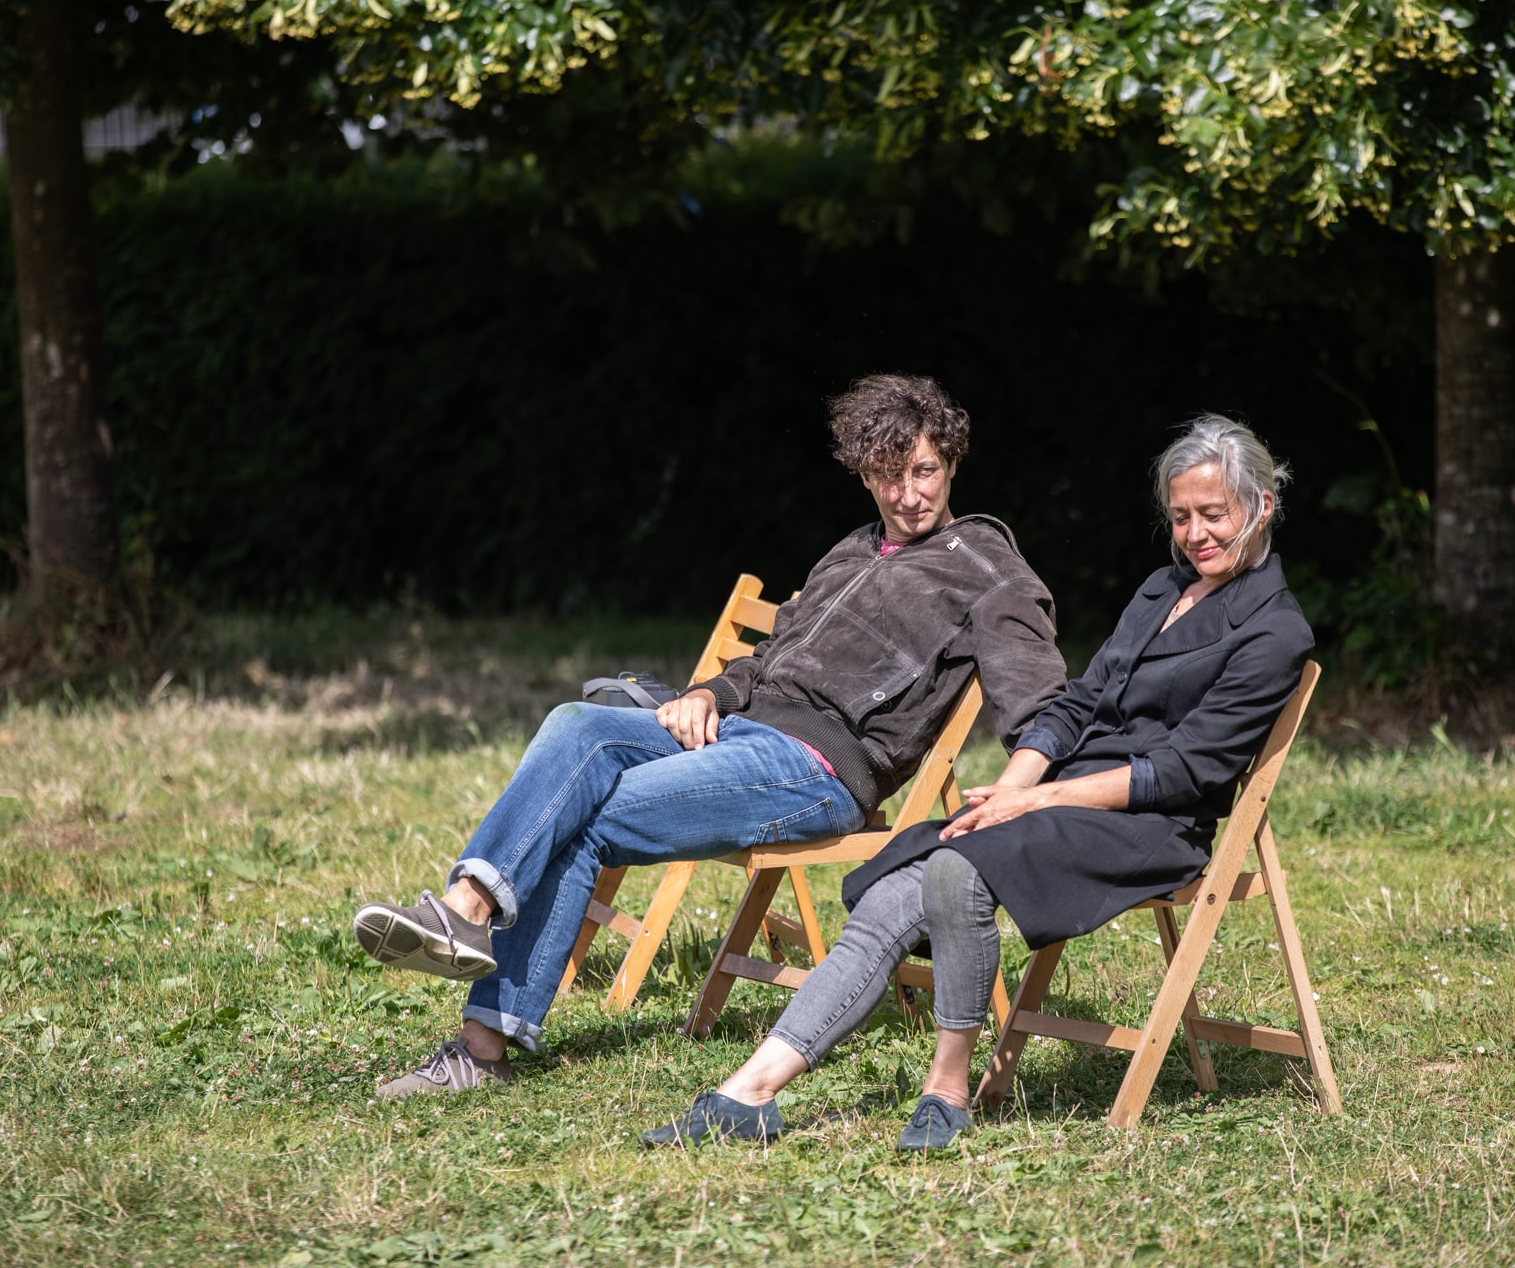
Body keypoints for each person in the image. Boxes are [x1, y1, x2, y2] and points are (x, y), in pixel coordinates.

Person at [353, 374, 1067, 1098]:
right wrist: (707, 694)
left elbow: (1042, 704)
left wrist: (1020, 792)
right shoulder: (854, 549)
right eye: (888, 476)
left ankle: (479, 1051)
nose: (908, 495)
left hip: (814, 767)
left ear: (952, 464)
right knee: (578, 724)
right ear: (862, 474)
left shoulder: (988, 571)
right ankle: (466, 910)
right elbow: (772, 654)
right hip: (737, 729)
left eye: (924, 472)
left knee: (582, 816)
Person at [643, 413, 1313, 1152]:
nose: (1195, 534)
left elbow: (1183, 771)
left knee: (957, 870)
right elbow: (1079, 703)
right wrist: (1011, 788)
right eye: (1181, 517)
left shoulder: (1274, 631)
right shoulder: (1163, 589)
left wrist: (1037, 798)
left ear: (1262, 506)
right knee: (902, 888)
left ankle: (948, 1089)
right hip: (1067, 797)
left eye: (1213, 515)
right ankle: (749, 1093)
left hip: (1153, 822)